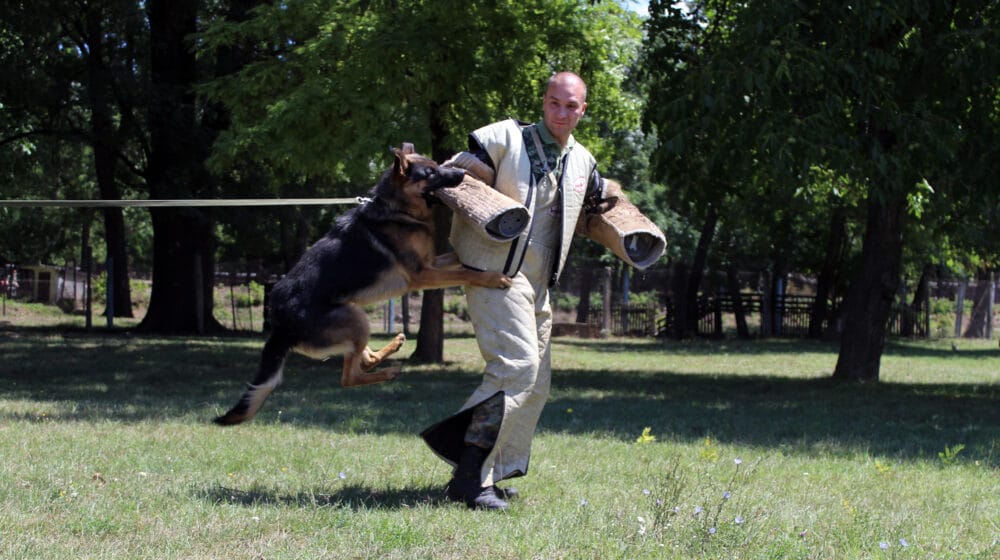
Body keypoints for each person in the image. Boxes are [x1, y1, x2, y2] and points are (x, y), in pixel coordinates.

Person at [421, 72, 663, 510]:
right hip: (495, 276)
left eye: (571, 106)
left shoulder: (584, 162)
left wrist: (628, 223)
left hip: (538, 287)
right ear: (544, 101)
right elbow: (460, 176)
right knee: (516, 367)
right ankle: (468, 478)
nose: (562, 112)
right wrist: (448, 178)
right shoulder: (503, 140)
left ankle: (489, 474)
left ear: (583, 110)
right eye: (555, 103)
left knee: (536, 384)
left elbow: (597, 207)